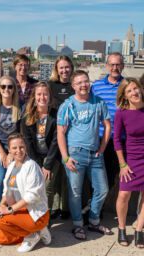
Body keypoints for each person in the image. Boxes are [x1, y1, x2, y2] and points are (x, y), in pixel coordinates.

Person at [57, 70, 112, 240]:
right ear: (73, 86)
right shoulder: (67, 105)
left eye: (86, 81)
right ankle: (78, 225)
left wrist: (102, 149)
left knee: (102, 190)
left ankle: (94, 221)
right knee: (75, 192)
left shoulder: (98, 102)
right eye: (79, 82)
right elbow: (60, 133)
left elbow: (107, 126)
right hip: (76, 154)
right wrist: (66, 157)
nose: (83, 85)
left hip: (95, 155)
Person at [0, 133, 51, 253]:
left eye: (21, 147)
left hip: (36, 213)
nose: (18, 151)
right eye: (14, 148)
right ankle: (39, 232)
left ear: (25, 147)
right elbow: (6, 190)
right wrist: (2, 204)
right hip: (20, 210)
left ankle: (33, 234)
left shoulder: (31, 166)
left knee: (0, 219)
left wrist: (9, 210)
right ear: (9, 150)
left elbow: (31, 196)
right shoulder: (12, 166)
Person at [113, 78, 144, 248]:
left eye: (135, 88)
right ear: (125, 96)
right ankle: (122, 229)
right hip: (131, 159)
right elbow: (116, 140)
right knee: (124, 194)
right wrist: (122, 164)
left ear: (140, 89)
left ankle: (139, 230)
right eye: (129, 91)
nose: (134, 93)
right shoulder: (122, 113)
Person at [21, 81, 59, 220]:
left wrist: (47, 165)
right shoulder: (28, 116)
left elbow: (56, 142)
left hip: (51, 157)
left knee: (47, 188)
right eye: (39, 94)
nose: (42, 97)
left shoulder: (55, 115)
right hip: (34, 157)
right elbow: (28, 143)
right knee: (33, 187)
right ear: (34, 97)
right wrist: (37, 165)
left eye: (45, 94)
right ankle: (33, 215)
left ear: (49, 96)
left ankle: (45, 219)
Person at [91, 52, 124, 191]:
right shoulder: (96, 86)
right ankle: (94, 209)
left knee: (112, 176)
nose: (114, 67)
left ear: (122, 66)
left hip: (120, 138)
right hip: (99, 137)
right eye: (112, 64)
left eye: (117, 64)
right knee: (95, 176)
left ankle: (102, 209)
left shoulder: (127, 85)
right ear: (107, 66)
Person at [48, 55, 74, 219]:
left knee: (68, 175)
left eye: (67, 67)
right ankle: (52, 209)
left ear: (71, 68)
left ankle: (65, 209)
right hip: (53, 136)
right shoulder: (51, 86)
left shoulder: (76, 85)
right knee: (53, 174)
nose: (64, 70)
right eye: (61, 68)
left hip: (73, 136)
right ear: (56, 70)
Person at [0, 75, 21, 203]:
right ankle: (0, 204)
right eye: (3, 86)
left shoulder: (20, 108)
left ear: (14, 89)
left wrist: (12, 152)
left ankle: (13, 203)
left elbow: (20, 132)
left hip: (15, 147)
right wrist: (2, 152)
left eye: (10, 86)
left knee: (13, 177)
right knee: (1, 177)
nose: (6, 89)